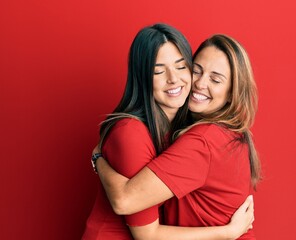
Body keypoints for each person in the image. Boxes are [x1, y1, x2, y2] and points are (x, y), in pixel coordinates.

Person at [83, 24, 254, 240]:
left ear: (232, 92)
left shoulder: (198, 137)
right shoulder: (132, 132)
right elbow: (141, 226)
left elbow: (125, 200)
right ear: (143, 77)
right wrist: (227, 233)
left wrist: (97, 158)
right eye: (158, 71)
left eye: (182, 67)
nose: (175, 79)